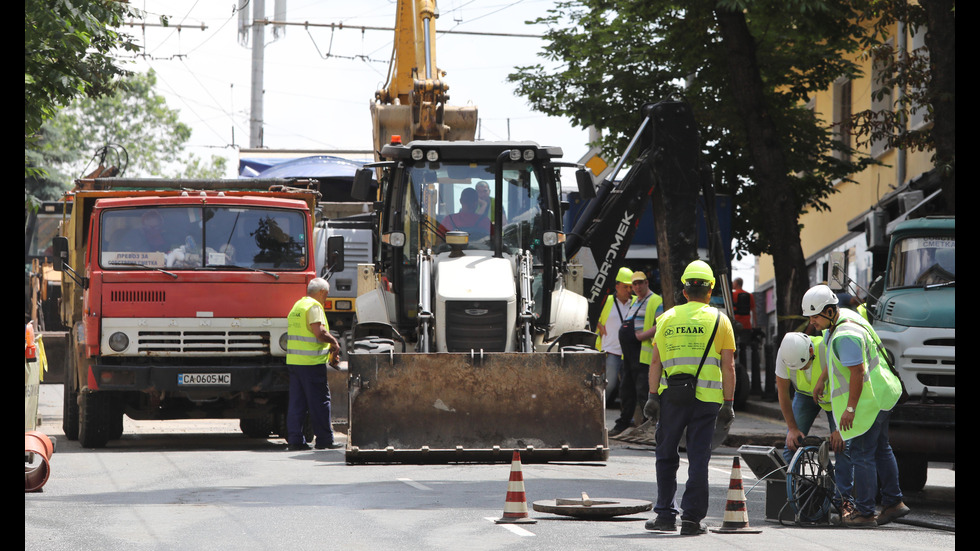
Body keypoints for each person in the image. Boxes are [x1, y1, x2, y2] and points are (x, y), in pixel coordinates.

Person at [803, 284, 909, 528]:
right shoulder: (846, 318)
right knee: (882, 449)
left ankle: (864, 511)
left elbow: (858, 372)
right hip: (884, 392)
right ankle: (894, 502)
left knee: (862, 454)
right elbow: (838, 358)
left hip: (870, 400)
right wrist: (823, 378)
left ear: (829, 311)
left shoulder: (845, 335)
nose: (812, 322)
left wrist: (850, 410)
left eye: (815, 316)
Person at [643, 260, 736, 536]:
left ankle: (664, 515)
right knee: (698, 458)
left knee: (665, 454)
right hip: (707, 400)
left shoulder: (666, 319)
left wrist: (651, 397)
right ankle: (692, 520)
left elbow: (655, 362)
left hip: (672, 397)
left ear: (684, 291)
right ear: (710, 291)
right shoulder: (720, 320)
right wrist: (728, 403)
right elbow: (728, 366)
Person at [285, 277, 343, 451]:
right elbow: (320, 332)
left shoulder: (298, 306)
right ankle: (325, 439)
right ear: (322, 293)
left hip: (295, 362)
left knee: (297, 403)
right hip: (311, 364)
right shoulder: (314, 306)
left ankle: (295, 440)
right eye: (326, 295)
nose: (326, 299)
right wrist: (334, 343)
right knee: (320, 402)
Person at [608, 271, 662, 437]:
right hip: (628, 356)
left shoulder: (655, 300)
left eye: (640, 283)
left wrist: (641, 336)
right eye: (634, 285)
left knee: (643, 391)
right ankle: (624, 423)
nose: (637, 287)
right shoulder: (635, 302)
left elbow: (661, 324)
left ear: (647, 283)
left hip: (642, 355)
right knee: (626, 391)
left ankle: (651, 426)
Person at [774, 332, 838, 465]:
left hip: (835, 400)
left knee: (841, 446)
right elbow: (783, 393)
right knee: (792, 445)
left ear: (810, 351)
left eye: (803, 365)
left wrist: (840, 431)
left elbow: (847, 386)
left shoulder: (825, 348)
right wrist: (792, 429)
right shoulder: (785, 355)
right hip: (804, 395)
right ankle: (792, 484)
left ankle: (843, 486)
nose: (801, 370)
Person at [595, 267, 634, 407]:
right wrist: (599, 325)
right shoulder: (607, 301)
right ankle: (598, 412)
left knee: (628, 389)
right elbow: (592, 315)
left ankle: (627, 417)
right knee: (608, 386)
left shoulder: (636, 302)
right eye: (625, 286)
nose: (629, 290)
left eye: (631, 286)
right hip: (611, 351)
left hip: (629, 353)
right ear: (617, 286)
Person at [732, 277, 761, 394]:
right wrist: (755, 324)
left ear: (737, 283)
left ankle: (737, 370)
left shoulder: (733, 295)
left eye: (734, 282)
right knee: (744, 348)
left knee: (733, 348)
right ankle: (744, 368)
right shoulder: (749, 295)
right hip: (747, 326)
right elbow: (753, 310)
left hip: (735, 325)